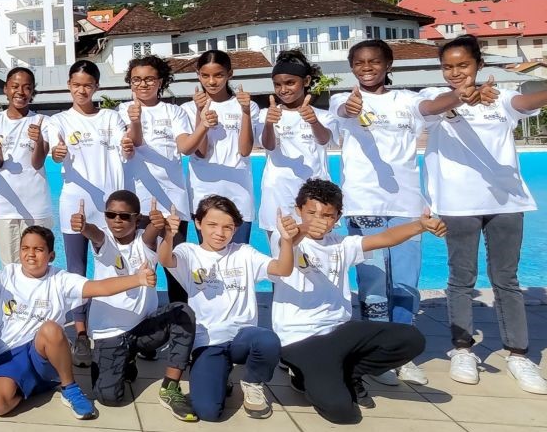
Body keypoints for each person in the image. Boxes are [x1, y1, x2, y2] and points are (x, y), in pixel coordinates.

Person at [421, 35, 547, 395]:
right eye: (448, 66)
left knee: (506, 279)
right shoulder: (434, 98)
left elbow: (524, 102)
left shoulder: (499, 98)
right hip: (457, 204)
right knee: (461, 279)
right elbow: (430, 108)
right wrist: (457, 98)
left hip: (506, 203)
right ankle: (462, 348)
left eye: (463, 65)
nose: (456, 72)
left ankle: (519, 354)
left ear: (477, 65)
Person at [330, 39, 458, 386]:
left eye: (374, 61)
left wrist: (460, 93)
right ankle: (376, 356)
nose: (366, 67)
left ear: (388, 65)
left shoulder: (408, 101)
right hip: (361, 204)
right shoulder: (342, 99)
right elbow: (342, 114)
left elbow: (434, 105)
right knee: (371, 284)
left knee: (404, 283)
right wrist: (350, 109)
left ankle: (402, 353)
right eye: (359, 62)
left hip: (405, 207)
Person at [0, 226, 153, 421]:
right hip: (9, 355)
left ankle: (69, 388)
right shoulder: (4, 277)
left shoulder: (60, 280)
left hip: (44, 352)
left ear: (51, 255)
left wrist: (138, 279)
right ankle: (35, 385)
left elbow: (100, 287)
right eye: (25, 248)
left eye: (38, 249)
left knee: (50, 329)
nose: (30, 254)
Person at [273, 179, 441, 425]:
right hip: (300, 340)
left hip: (340, 332)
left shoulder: (343, 244)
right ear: (298, 211)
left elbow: (385, 238)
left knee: (411, 339)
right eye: (311, 213)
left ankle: (350, 372)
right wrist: (299, 231)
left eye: (327, 215)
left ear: (338, 216)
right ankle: (304, 375)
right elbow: (287, 244)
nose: (320, 220)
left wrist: (420, 226)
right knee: (343, 413)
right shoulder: (287, 241)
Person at [158, 195, 296, 422]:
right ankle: (220, 375)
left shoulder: (244, 253)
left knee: (268, 340)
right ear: (198, 223)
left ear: (235, 229)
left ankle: (252, 382)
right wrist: (169, 236)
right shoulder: (188, 253)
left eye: (227, 227)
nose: (219, 233)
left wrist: (288, 241)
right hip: (207, 341)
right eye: (212, 225)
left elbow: (282, 269)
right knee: (208, 412)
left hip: (243, 337)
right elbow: (165, 259)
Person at [75, 191, 196, 421]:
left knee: (183, 313)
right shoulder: (104, 241)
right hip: (109, 333)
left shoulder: (145, 242)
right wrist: (84, 227)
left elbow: (150, 236)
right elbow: (96, 234)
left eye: (124, 216)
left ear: (136, 218)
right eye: (111, 215)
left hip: (144, 328)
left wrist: (158, 224)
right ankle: (124, 359)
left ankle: (170, 386)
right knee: (108, 397)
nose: (117, 221)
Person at [44, 59, 126, 364]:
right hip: (75, 203)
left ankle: (115, 326)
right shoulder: (59, 121)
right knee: (77, 270)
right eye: (76, 85)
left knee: (113, 266)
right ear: (69, 85)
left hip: (109, 208)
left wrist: (128, 144)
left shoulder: (110, 118)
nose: (82, 90)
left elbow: (123, 143)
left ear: (97, 87)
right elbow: (55, 150)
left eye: (87, 85)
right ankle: (80, 332)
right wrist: (57, 153)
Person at [117, 55, 202, 303]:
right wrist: (135, 121)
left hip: (173, 201)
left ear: (160, 81)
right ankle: (144, 324)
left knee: (176, 268)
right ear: (130, 83)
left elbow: (184, 146)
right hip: (139, 203)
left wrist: (203, 127)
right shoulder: (122, 110)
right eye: (136, 80)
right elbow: (135, 142)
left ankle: (180, 325)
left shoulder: (174, 112)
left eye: (149, 79)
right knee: (142, 267)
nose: (143, 84)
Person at [254, 49, 334, 242]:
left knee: (316, 260)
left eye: (290, 83)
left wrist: (313, 121)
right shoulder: (266, 114)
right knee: (282, 258)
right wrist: (269, 124)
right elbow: (268, 146)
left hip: (315, 196)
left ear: (306, 81)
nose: (283, 89)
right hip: (278, 194)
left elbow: (325, 140)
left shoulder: (323, 116)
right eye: (278, 85)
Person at [0, 66, 51, 266]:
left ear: (33, 91)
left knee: (38, 266)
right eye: (15, 86)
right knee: (9, 267)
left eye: (27, 87)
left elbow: (38, 163)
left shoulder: (43, 121)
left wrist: (39, 140)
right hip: (4, 207)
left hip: (36, 207)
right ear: (6, 89)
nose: (20, 92)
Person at [187, 50, 257, 244]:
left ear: (230, 74)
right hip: (204, 192)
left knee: (238, 259)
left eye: (218, 75)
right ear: (198, 75)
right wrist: (200, 113)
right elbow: (200, 152)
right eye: (205, 75)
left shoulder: (247, 106)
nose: (211, 82)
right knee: (210, 259)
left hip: (238, 193)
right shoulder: (188, 108)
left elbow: (245, 150)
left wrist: (245, 112)